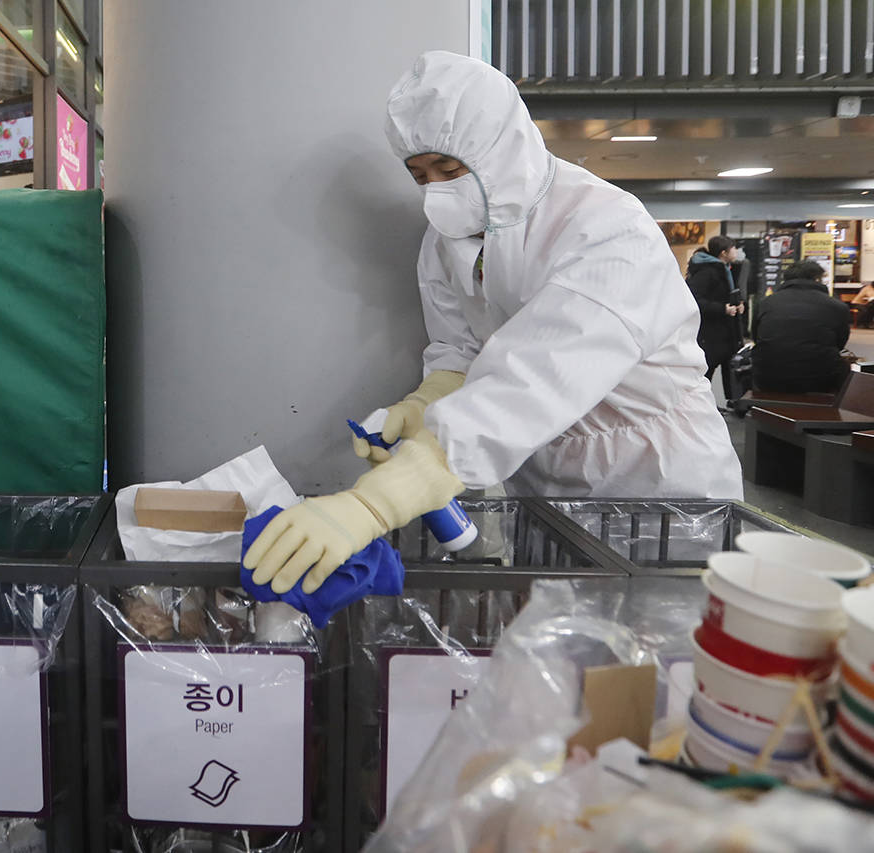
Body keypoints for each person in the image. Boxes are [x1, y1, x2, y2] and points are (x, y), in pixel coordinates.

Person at [245, 51, 742, 596]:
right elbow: (461, 347)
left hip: (654, 475)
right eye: (419, 175)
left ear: (501, 147)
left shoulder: (605, 229)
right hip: (543, 474)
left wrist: (376, 502)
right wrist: (425, 405)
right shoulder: (445, 240)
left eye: (449, 168)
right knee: (558, 639)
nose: (435, 188)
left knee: (659, 637)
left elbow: (535, 380)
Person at [750, 261, 851, 394]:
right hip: (820, 378)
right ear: (817, 279)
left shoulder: (765, 303)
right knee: (844, 367)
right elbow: (840, 343)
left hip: (767, 377)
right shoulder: (837, 306)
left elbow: (756, 336)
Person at [686, 235, 745, 401]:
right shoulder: (708, 272)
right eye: (733, 248)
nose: (737, 251)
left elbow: (724, 295)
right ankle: (700, 403)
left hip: (725, 331)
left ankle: (728, 403)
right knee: (706, 371)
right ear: (724, 252)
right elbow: (694, 300)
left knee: (728, 370)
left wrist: (738, 304)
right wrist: (722, 309)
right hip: (711, 332)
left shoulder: (725, 269)